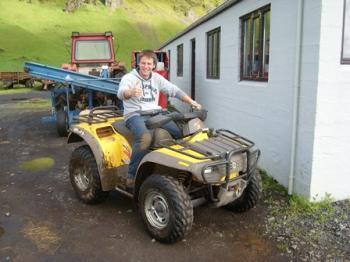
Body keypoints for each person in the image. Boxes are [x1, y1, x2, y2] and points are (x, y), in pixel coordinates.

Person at [117, 50, 202, 188]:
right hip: (135, 114)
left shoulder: (156, 78)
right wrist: (131, 92)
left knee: (180, 133)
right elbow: (121, 93)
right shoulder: (129, 78)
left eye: (149, 63)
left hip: (155, 113)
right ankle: (131, 176)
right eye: (143, 63)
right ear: (138, 63)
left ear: (154, 65)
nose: (145, 66)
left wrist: (192, 102)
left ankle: (181, 170)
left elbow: (174, 90)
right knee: (145, 138)